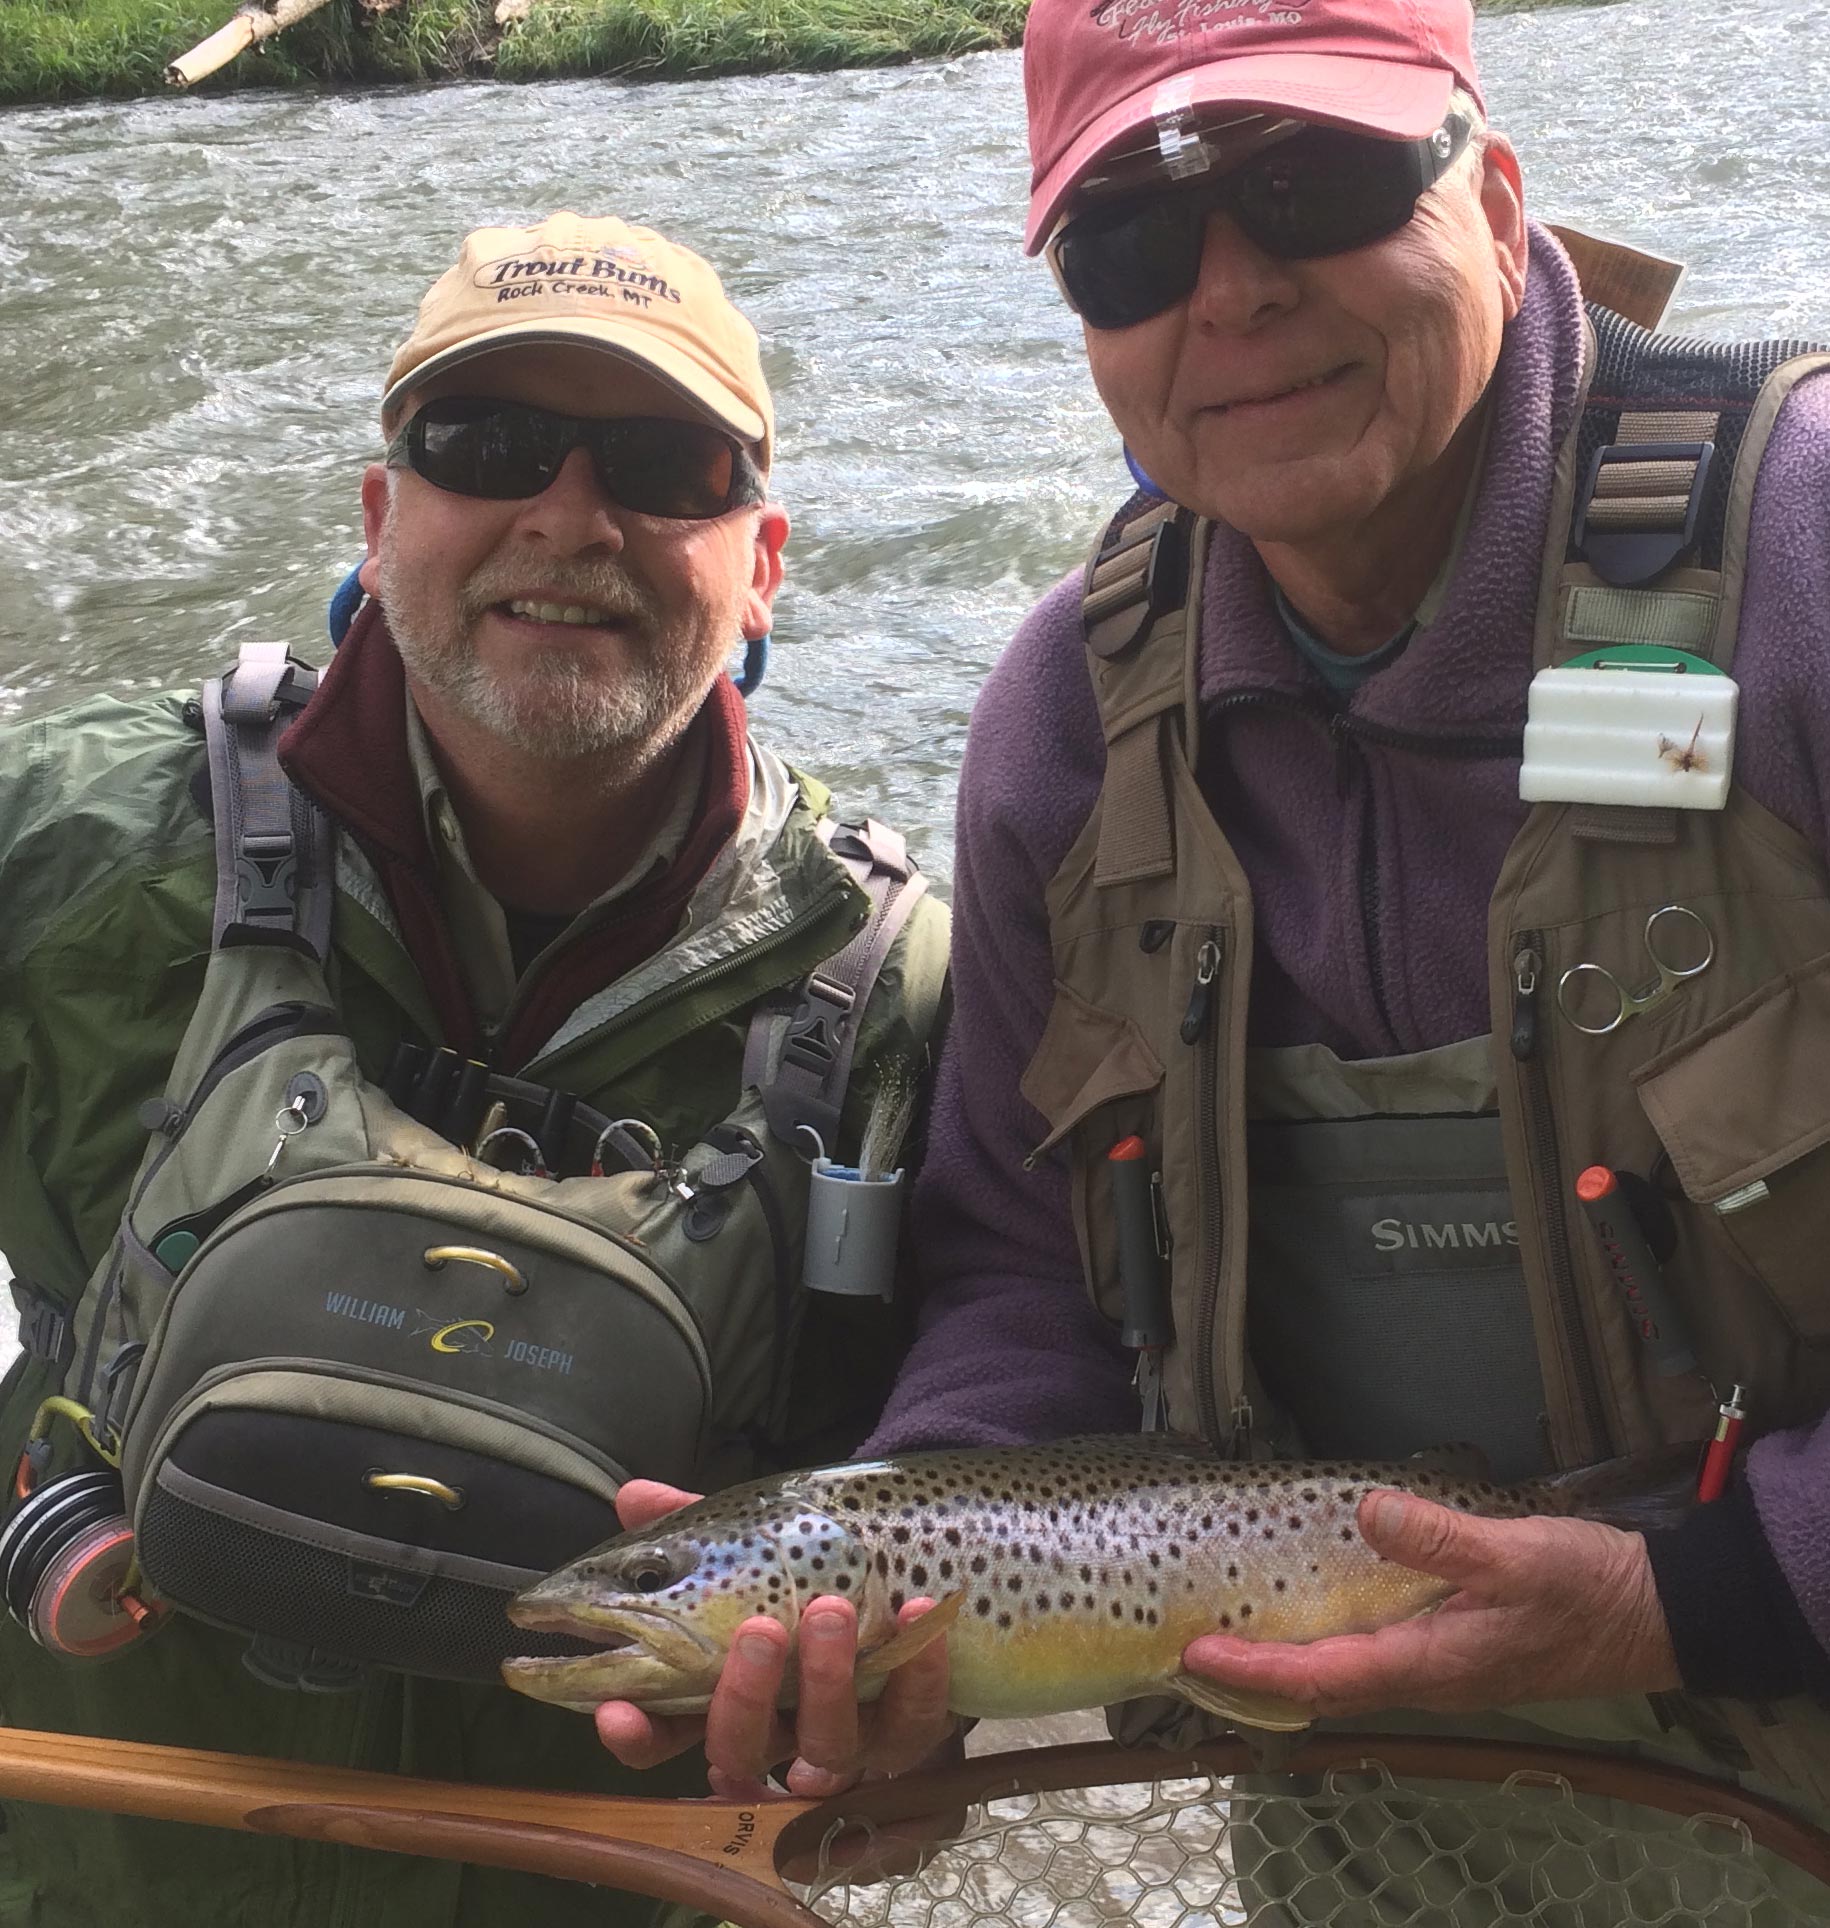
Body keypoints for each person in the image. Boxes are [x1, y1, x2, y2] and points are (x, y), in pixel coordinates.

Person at [624, 0, 1830, 1880]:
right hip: (1362, 1822)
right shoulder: (1061, 717)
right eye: (1129, 240)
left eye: (1316, 180)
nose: (1234, 290)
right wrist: (896, 1594)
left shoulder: (1807, 566)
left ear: (1497, 204)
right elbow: (1024, 1276)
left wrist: (1714, 1584)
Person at [0, 210, 949, 1928]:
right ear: (381, 515)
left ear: (763, 562)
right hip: (109, 1859)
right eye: (487, 444)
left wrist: (899, 1732)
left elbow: (985, 1458)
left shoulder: (910, 993)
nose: (570, 518)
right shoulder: (68, 844)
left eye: (664, 466)